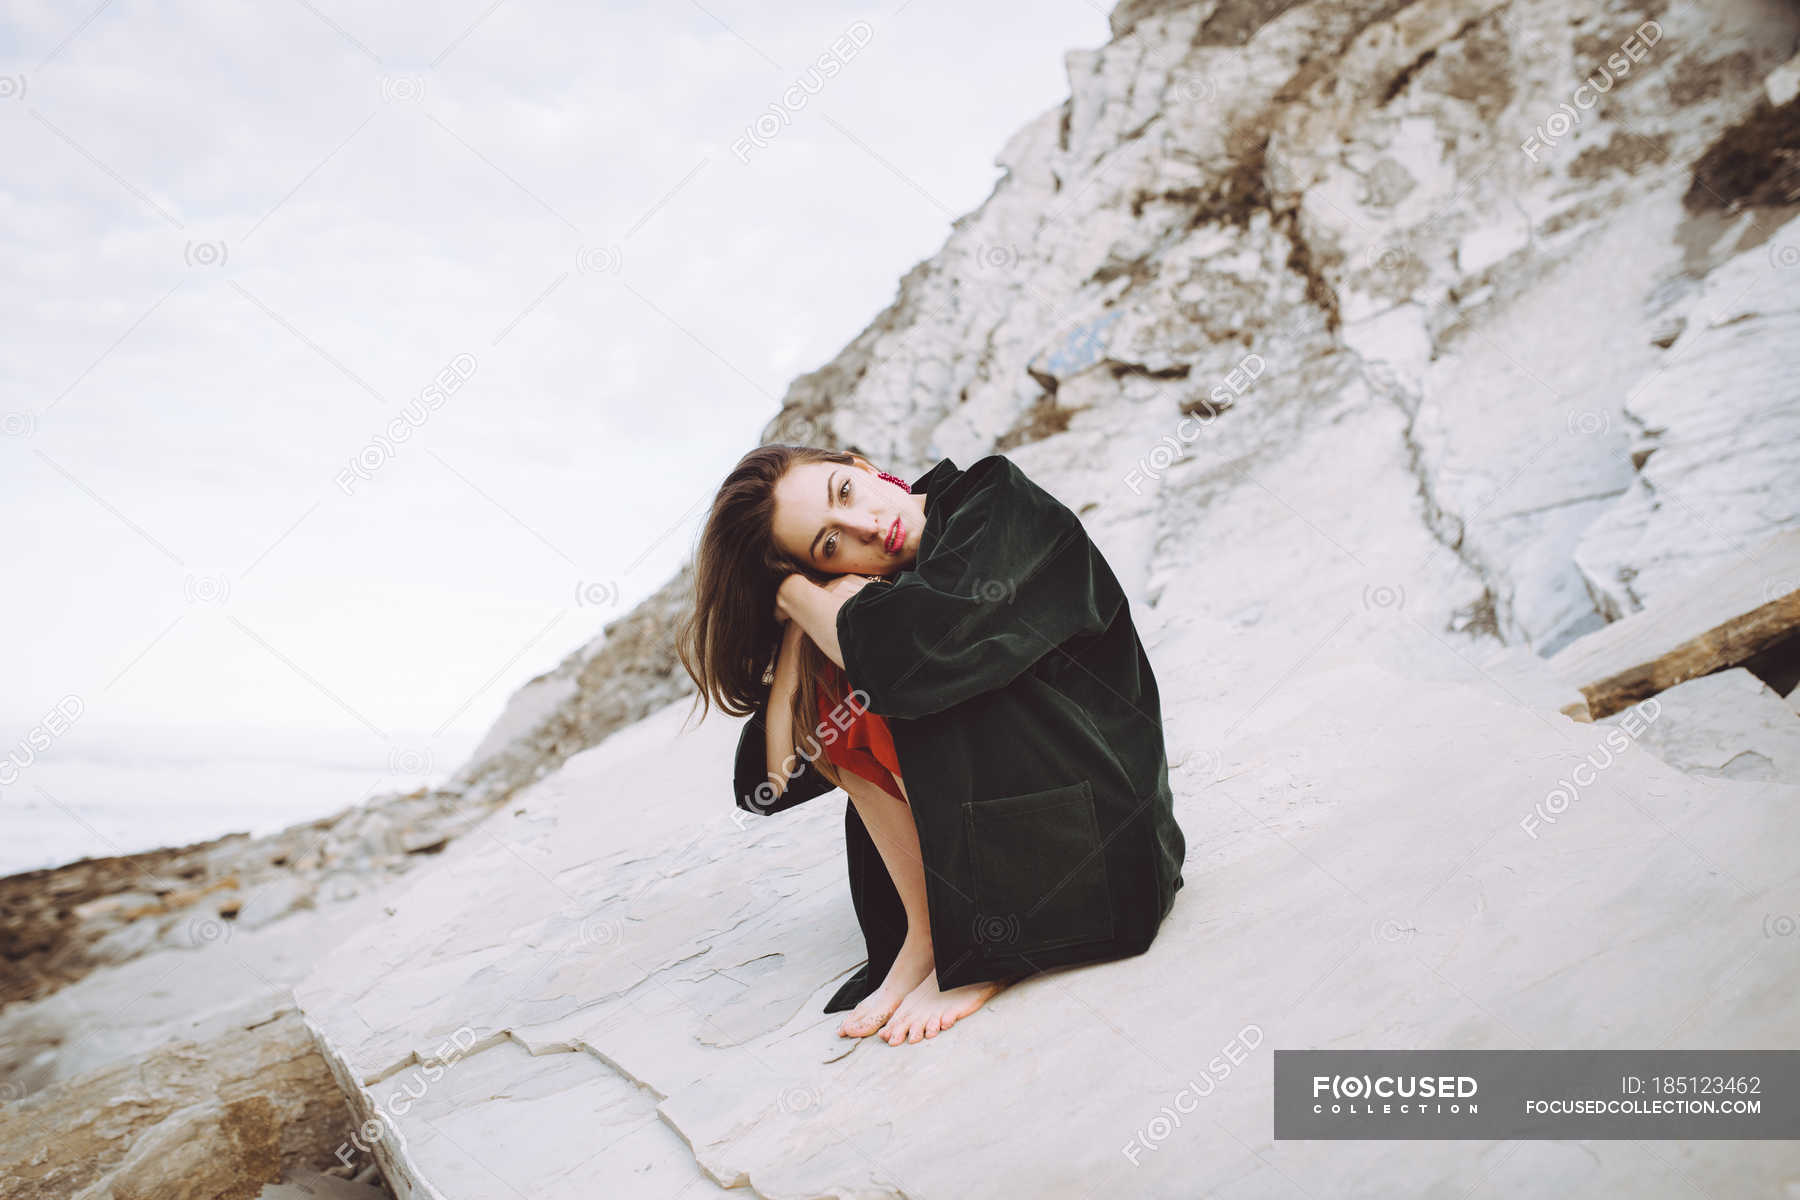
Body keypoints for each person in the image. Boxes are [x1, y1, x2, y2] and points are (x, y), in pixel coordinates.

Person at [677, 445, 1186, 1047]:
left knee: (903, 668)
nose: (867, 526)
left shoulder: (998, 502)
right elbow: (770, 779)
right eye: (830, 545)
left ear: (863, 465)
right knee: (842, 677)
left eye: (845, 492)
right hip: (995, 862)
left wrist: (805, 600)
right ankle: (928, 935)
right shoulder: (876, 601)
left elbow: (915, 655)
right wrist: (796, 632)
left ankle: (989, 947)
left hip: (1101, 850)